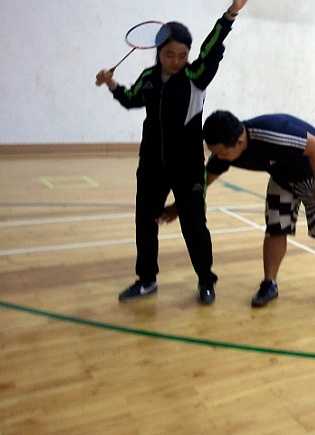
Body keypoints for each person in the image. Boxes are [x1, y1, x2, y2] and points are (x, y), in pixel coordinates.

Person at [95, 0, 248, 304]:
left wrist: (230, 14)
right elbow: (131, 98)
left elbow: (211, 50)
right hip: (152, 164)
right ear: (158, 52)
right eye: (169, 55)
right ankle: (146, 280)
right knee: (145, 222)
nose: (176, 61)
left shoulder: (196, 77)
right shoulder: (149, 79)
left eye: (182, 55)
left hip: (188, 166)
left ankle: (206, 280)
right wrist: (111, 84)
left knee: (194, 225)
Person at [161, 110, 315, 310]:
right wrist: (178, 207)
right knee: (275, 229)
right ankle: (270, 284)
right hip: (282, 178)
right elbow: (204, 183)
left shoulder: (273, 135)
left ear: (239, 142)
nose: (219, 157)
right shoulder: (226, 149)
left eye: (222, 153)